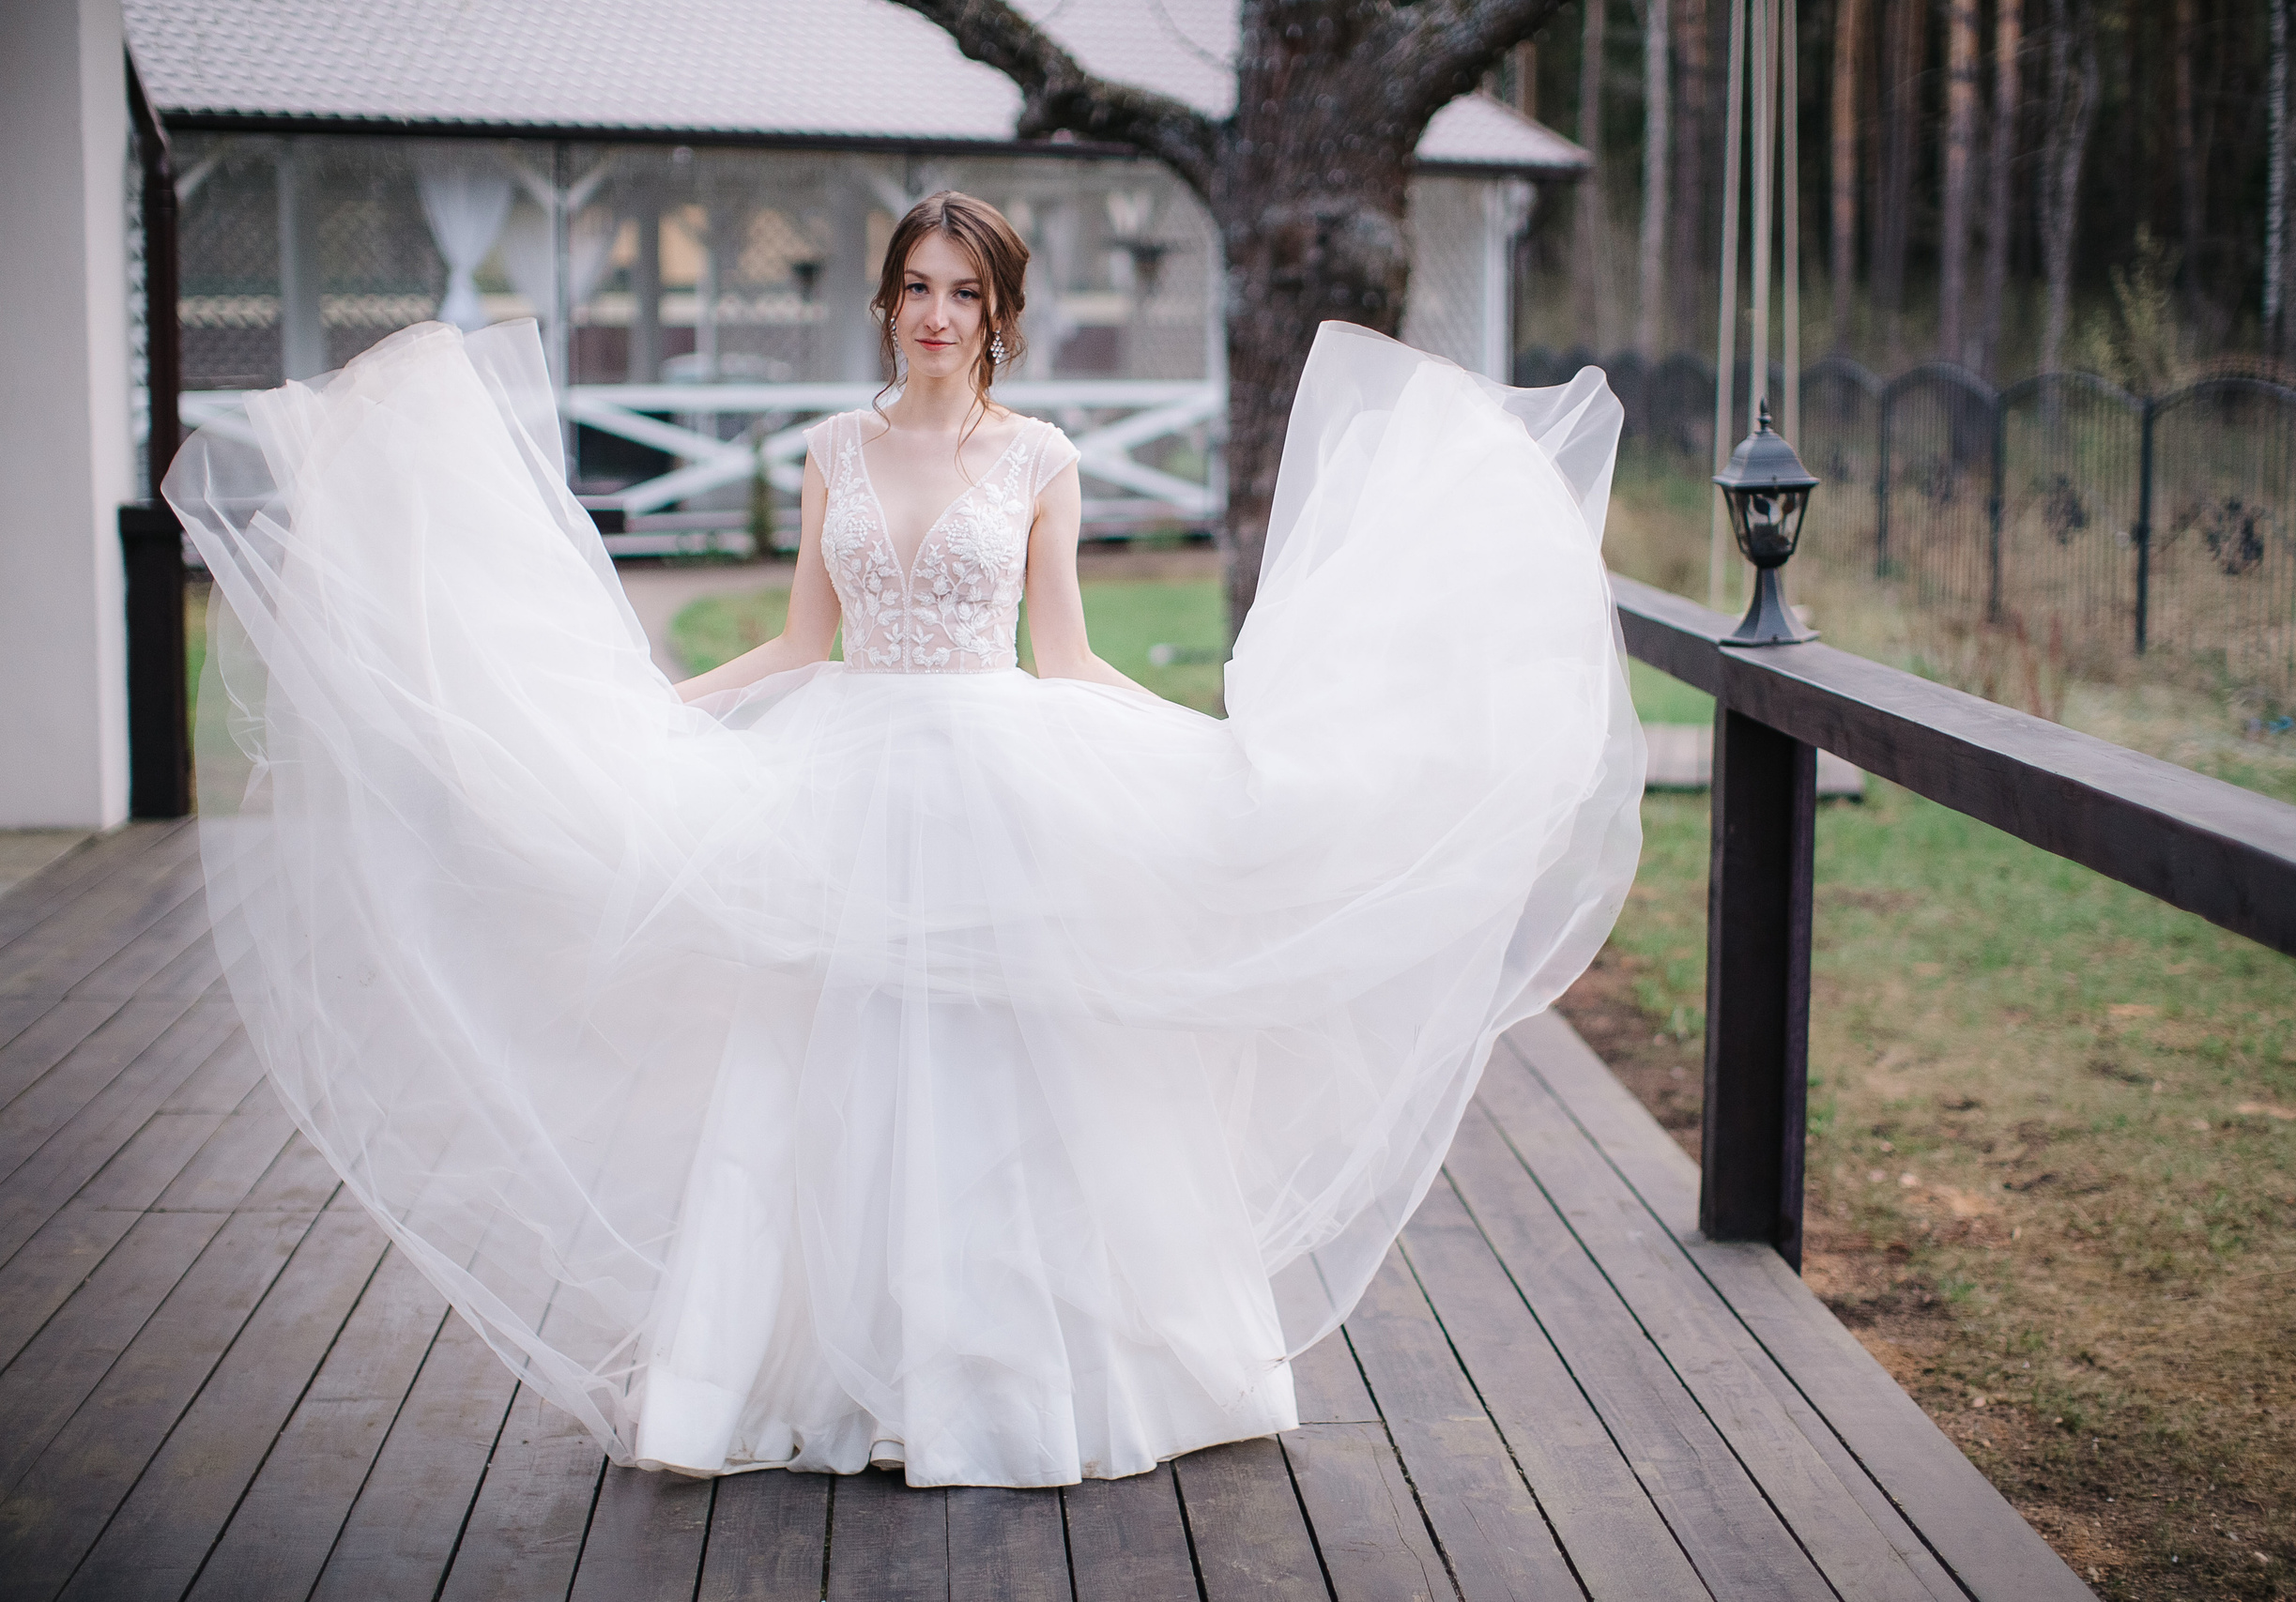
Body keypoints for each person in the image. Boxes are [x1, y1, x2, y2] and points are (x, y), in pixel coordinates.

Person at [169, 191, 1645, 1490]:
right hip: (850, 769)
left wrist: (1213, 748)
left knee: (1020, 1071)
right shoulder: (833, 449)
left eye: (966, 293)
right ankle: (798, 1377)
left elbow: (1060, 656)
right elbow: (805, 638)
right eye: (918, 287)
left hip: (1004, 778)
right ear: (888, 301)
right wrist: (656, 707)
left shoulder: (1041, 457)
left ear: (999, 315)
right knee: (826, 1068)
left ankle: (1015, 1381)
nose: (938, 315)